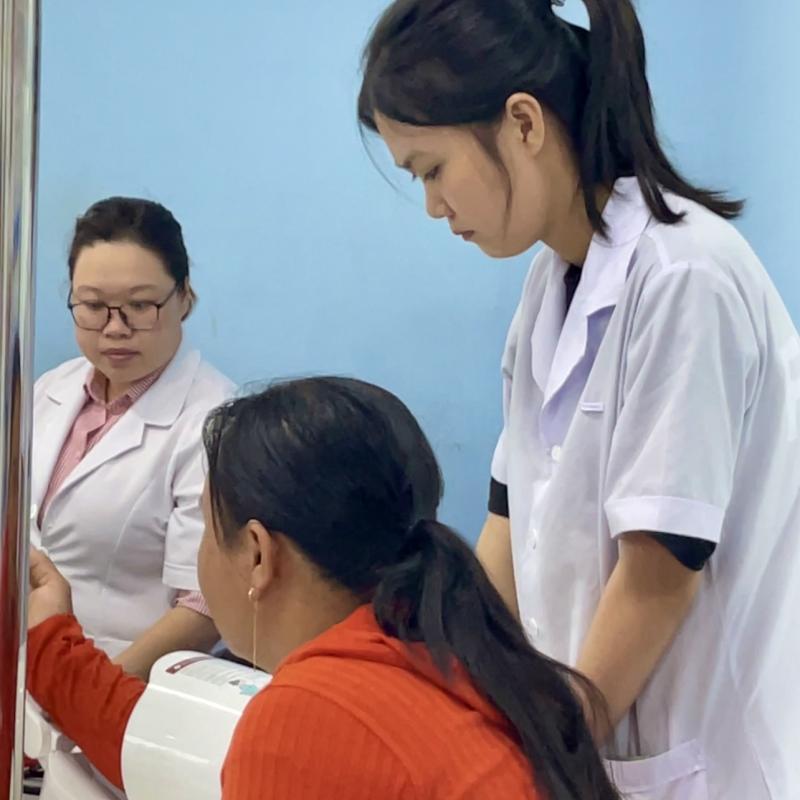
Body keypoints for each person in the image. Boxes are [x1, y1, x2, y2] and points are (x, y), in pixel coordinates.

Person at [358, 1, 800, 798]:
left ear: (523, 123)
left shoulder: (685, 276)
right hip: (600, 741)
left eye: (431, 169)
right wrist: (458, 687)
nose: (433, 206)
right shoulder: (551, 280)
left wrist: (551, 746)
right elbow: (507, 524)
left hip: (707, 758)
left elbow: (660, 573)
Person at [26, 377, 620, 800]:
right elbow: (166, 741)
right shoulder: (452, 655)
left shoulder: (312, 715)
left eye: (205, 529)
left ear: (257, 553)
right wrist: (51, 640)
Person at [31, 197, 233, 681]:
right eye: (93, 306)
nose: (115, 329)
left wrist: (97, 691)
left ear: (185, 298)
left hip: (126, 680)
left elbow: (203, 605)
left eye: (140, 306)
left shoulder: (217, 422)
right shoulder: (52, 388)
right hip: (26, 668)